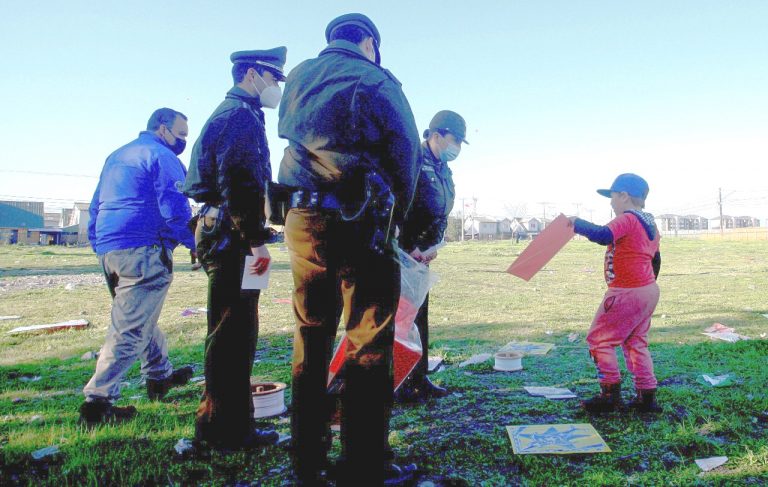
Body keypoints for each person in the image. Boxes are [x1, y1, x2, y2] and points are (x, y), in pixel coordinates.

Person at [277, 13, 421, 485]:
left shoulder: (299, 78)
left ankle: (307, 459)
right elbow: (406, 154)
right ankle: (363, 463)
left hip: (303, 218)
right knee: (367, 336)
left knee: (311, 332)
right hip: (360, 220)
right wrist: (396, 220)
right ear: (369, 43)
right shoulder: (376, 79)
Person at [182, 47, 286, 450]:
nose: (276, 87)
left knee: (235, 330)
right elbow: (240, 184)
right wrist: (256, 240)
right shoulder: (239, 117)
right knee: (232, 334)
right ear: (252, 74)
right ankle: (223, 430)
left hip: (226, 230)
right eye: (273, 79)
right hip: (232, 236)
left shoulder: (239, 113)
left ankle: (232, 425)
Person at [80, 108, 196, 426]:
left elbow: (95, 204)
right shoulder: (162, 156)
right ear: (162, 129)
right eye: (181, 134)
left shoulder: (118, 156)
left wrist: (99, 244)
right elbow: (175, 207)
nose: (183, 141)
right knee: (130, 327)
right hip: (144, 248)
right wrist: (195, 243)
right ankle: (97, 402)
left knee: (139, 315)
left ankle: (159, 375)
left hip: (111, 248)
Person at [568, 173, 662, 414]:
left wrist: (575, 222)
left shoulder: (628, 219)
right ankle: (646, 397)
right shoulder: (651, 224)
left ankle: (609, 396)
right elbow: (656, 259)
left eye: (612, 197)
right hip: (648, 290)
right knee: (636, 342)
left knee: (600, 340)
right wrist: (644, 288)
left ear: (624, 196)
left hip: (626, 291)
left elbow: (603, 235)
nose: (611, 203)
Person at [397, 110, 468, 402]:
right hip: (401, 254)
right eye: (455, 140)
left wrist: (433, 245)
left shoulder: (442, 169)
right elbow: (398, 205)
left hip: (422, 255)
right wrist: (408, 245)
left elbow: (440, 209)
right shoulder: (411, 159)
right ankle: (398, 380)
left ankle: (418, 377)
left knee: (419, 316)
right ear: (436, 135)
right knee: (401, 318)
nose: (458, 147)